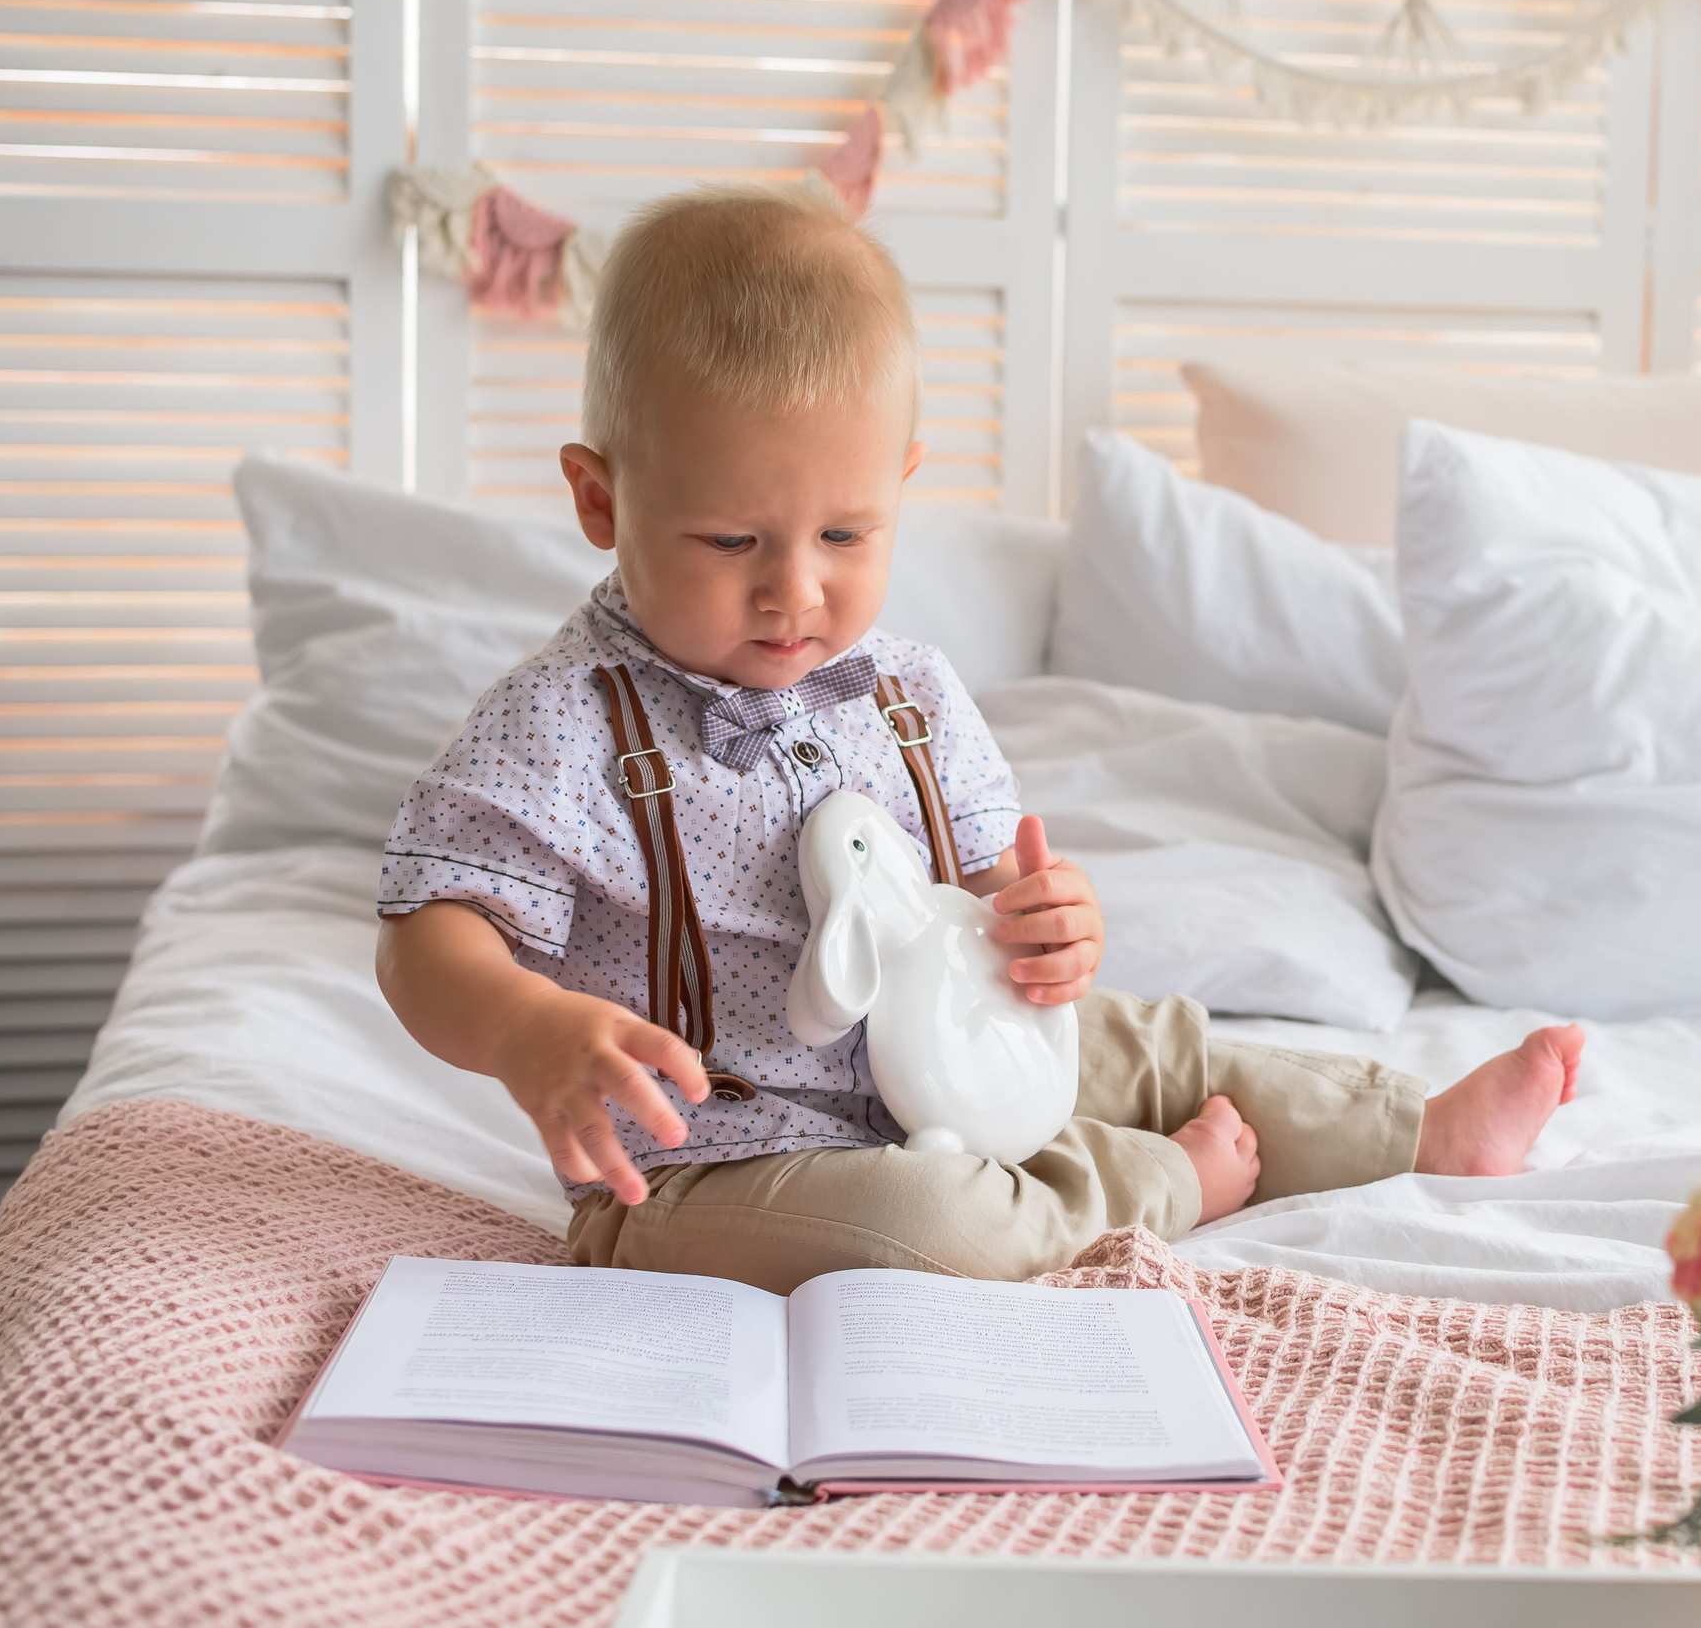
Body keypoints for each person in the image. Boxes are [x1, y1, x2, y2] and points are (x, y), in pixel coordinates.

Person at [373, 184, 1584, 1292]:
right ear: (602, 499)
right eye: (732, 542)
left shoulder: (909, 689)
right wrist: (524, 1025)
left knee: (1145, 1041)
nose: (794, 592)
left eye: (845, 535)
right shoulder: (564, 720)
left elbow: (996, 891)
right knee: (917, 1222)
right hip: (715, 1167)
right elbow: (429, 939)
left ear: (901, 486)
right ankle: (1154, 1184)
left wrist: (1053, 924)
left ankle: (1414, 1130)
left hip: (954, 1059)